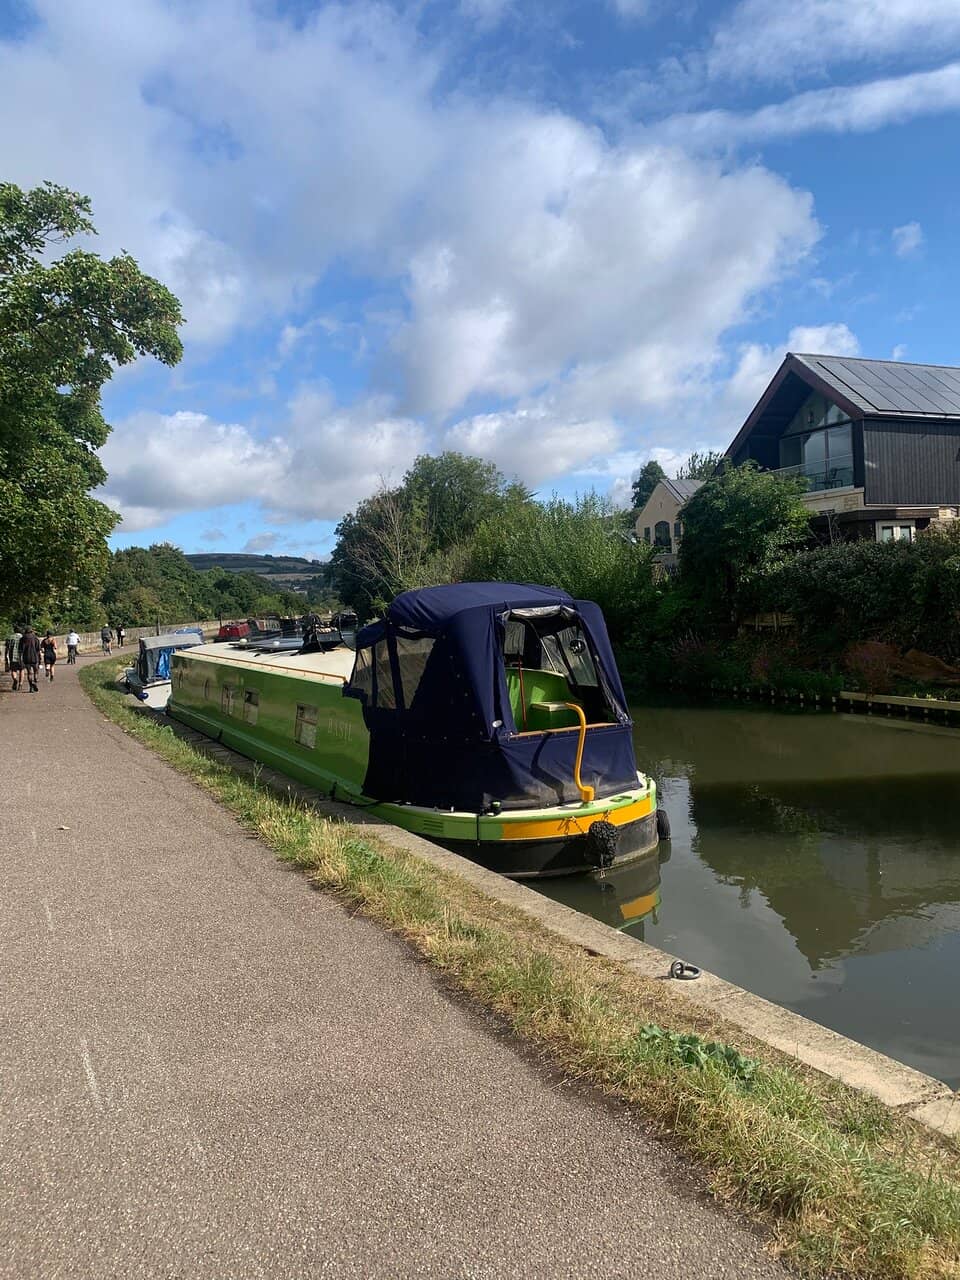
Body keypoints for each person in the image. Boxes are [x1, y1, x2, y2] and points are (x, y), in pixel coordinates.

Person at [21, 626, 41, 692]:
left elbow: (20, 649)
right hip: (34, 657)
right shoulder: (35, 638)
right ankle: (34, 682)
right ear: (31, 631)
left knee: (29, 673)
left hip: (26, 657)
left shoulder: (22, 638)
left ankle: (31, 686)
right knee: (36, 671)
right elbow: (38, 649)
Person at [4, 626, 24, 691]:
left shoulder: (10, 637)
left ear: (14, 631)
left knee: (13, 670)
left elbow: (7, 647)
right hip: (21, 656)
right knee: (21, 670)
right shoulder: (22, 637)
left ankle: (15, 680)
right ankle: (20, 684)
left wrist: (6, 657)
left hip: (12, 656)